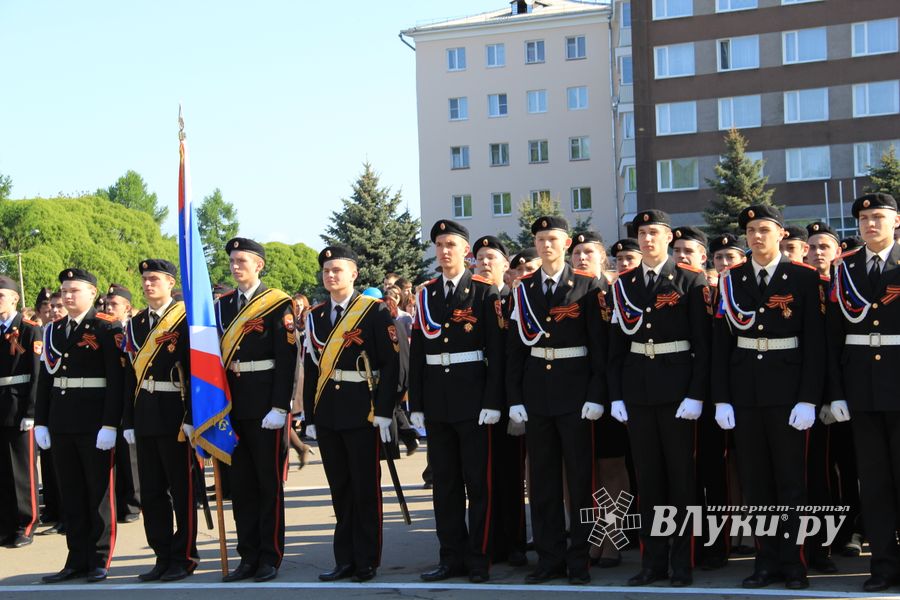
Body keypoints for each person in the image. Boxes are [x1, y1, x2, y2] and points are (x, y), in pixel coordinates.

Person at [712, 205, 825, 591]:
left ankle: (795, 564)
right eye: (750, 230)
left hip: (789, 393)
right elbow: (721, 345)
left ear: (779, 234)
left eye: (764, 229)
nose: (756, 236)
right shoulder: (733, 278)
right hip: (745, 394)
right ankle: (766, 561)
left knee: (791, 483)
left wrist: (809, 398)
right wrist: (722, 399)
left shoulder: (805, 277)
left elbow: (815, 343)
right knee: (756, 483)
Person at [609, 210, 710, 588]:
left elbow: (703, 345)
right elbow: (616, 348)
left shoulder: (691, 280)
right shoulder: (624, 284)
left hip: (677, 392)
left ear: (668, 237)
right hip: (638, 392)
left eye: (654, 232)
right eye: (642, 233)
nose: (647, 239)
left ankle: (682, 563)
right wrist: (617, 395)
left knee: (682, 481)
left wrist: (696, 394)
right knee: (648, 482)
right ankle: (652, 562)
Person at [507, 216, 608, 585]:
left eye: (552, 239)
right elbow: (516, 349)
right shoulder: (523, 288)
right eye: (540, 239)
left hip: (576, 394)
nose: (545, 245)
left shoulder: (587, 286)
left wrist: (597, 394)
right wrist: (514, 397)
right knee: (544, 483)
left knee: (580, 483)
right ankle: (549, 559)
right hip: (537, 395)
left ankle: (579, 560)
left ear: (566, 245)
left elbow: (600, 348)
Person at [409, 221, 504, 584]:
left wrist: (493, 401)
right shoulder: (426, 295)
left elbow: (495, 353)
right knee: (445, 486)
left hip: (474, 400)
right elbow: (418, 351)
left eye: (451, 244)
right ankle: (450, 558)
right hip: (437, 400)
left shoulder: (483, 291)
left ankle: (479, 559)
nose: (444, 250)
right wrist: (416, 402)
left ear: (466, 251)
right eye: (439, 244)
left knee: (478, 484)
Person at [304, 245, 400, 583]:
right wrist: (310, 417)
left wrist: (385, 412)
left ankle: (366, 560)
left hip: (363, 410)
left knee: (364, 489)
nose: (331, 275)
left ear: (354, 274)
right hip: (328, 411)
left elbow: (390, 365)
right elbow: (311, 367)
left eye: (338, 270)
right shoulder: (315, 316)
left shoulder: (374, 312)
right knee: (340, 490)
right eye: (327, 270)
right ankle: (343, 559)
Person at [826, 193, 900, 592]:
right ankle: (883, 567)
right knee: (873, 484)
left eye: (878, 217)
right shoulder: (846, 269)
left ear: (896, 221)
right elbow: (833, 337)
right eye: (864, 218)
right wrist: (836, 392)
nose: (870, 224)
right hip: (862, 389)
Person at [34, 268, 125, 583]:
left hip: (94, 421)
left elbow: (116, 381)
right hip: (62, 421)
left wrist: (110, 424)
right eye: (64, 290)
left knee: (97, 493)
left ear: (92, 293)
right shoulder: (53, 330)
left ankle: (99, 558)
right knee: (70, 493)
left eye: (74, 290)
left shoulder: (106, 327)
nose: (67, 295)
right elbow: (47, 379)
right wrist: (41, 421)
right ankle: (76, 558)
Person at [216, 237, 296, 583]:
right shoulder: (221, 306)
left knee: (267, 483)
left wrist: (281, 405)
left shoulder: (277, 304)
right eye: (232, 261)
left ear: (258, 265)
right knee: (241, 485)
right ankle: (247, 555)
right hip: (232, 405)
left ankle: (269, 555)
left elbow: (287, 358)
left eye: (242, 261)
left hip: (266, 406)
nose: (236, 267)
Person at [121, 259, 199, 582]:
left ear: (170, 282)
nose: (148, 284)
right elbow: (129, 376)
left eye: (154, 279)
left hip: (176, 413)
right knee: (151, 492)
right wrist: (127, 420)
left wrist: (193, 418)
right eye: (144, 279)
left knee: (182, 490)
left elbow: (198, 373)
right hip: (145, 413)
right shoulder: (136, 323)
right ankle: (162, 554)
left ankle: (184, 556)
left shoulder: (184, 319)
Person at [570, 232, 628, 569]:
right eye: (576, 252)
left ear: (603, 257)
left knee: (611, 466)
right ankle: (591, 535)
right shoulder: (569, 291)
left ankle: (614, 537)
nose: (581, 258)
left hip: (611, 391)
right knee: (582, 468)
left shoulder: (614, 291)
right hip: (578, 392)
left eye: (588, 252)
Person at [474, 235, 528, 568]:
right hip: (479, 399)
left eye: (491, 257)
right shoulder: (474, 299)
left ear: (506, 267)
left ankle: (514, 542)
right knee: (483, 474)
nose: (483, 262)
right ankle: (488, 541)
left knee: (510, 474)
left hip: (512, 400)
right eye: (479, 257)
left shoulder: (513, 299)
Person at [0, 277, 41, 548]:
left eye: (1, 295)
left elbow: (37, 374)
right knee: (3, 471)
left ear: (15, 298)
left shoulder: (28, 329)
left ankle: (26, 524)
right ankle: (4, 525)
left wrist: (32, 410)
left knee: (21, 471)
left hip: (19, 405)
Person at [103, 284, 141, 525]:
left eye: (114, 304)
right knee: (115, 453)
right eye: (106, 304)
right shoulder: (105, 330)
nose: (108, 308)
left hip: (134, 395)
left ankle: (134, 502)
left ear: (127, 308)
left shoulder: (132, 330)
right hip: (110, 396)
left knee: (131, 454)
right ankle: (119, 498)